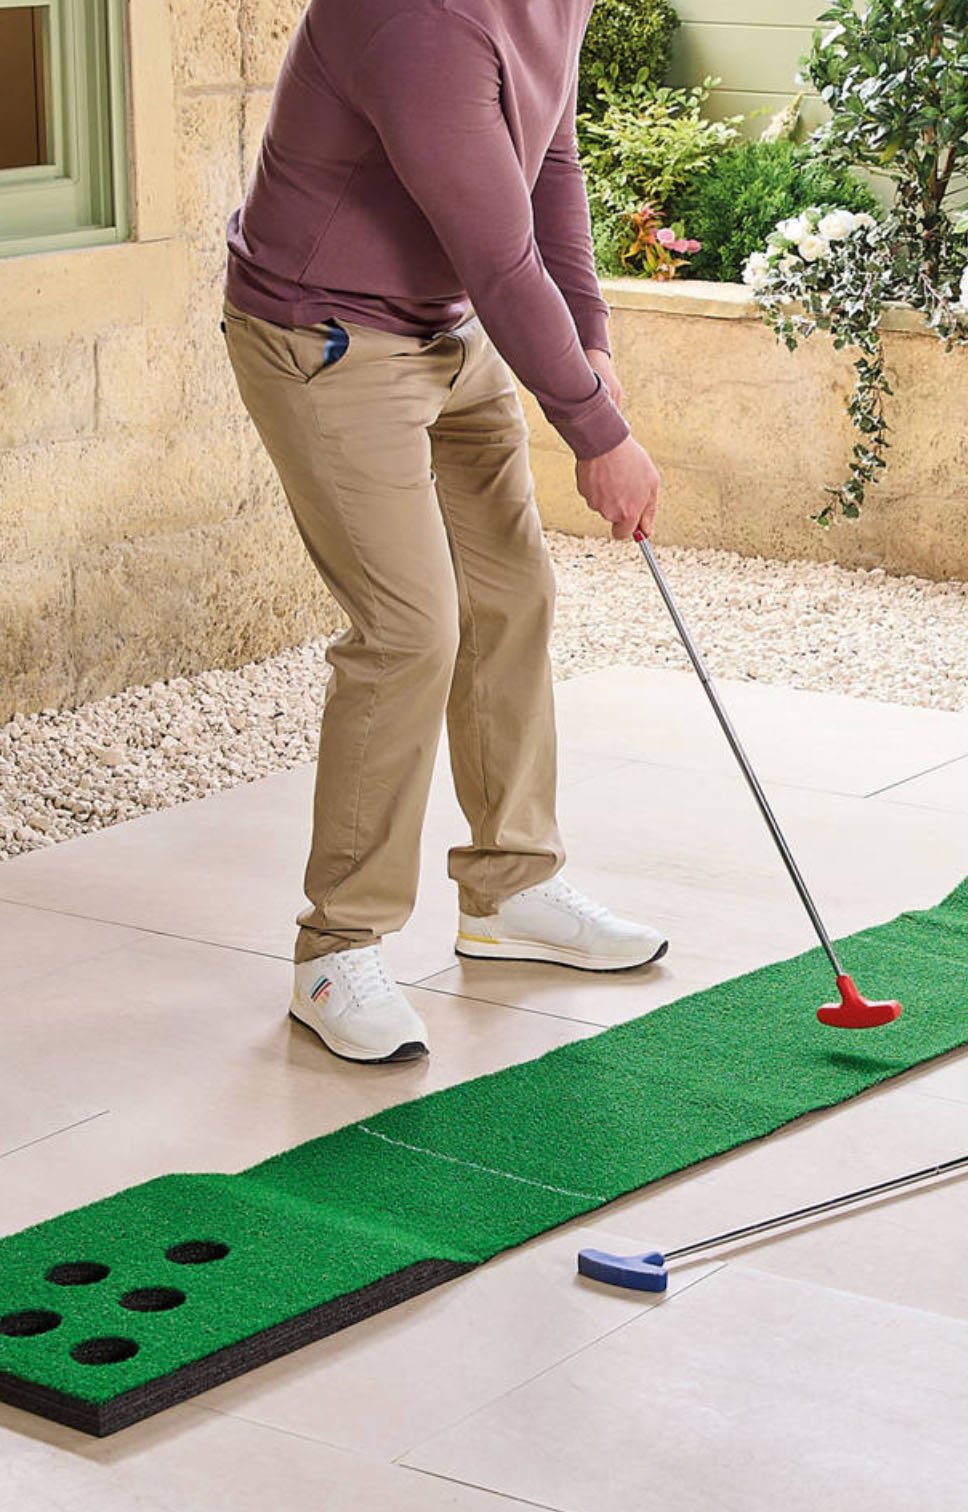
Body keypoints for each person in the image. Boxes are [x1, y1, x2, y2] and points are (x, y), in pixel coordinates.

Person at [219, 0, 667, 1066]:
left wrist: (591, 341)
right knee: (411, 631)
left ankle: (511, 890)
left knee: (513, 595)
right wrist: (595, 432)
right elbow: (496, 248)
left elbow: (548, 156)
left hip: (448, 329)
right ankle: (337, 948)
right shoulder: (412, 16)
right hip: (325, 339)